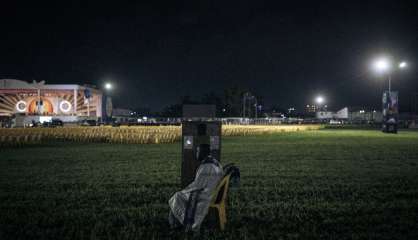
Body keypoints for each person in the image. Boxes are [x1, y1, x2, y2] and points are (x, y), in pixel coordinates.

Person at [168, 144, 224, 232]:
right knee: (181, 195)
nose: (196, 154)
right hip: (212, 192)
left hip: (206, 195)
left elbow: (198, 185)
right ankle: (177, 223)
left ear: (203, 153)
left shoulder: (206, 166)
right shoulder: (215, 163)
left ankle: (183, 223)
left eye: (198, 151)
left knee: (177, 196)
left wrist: (185, 190)